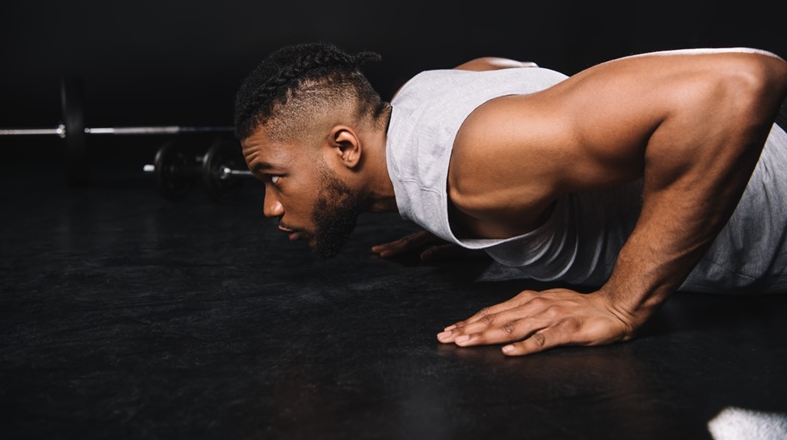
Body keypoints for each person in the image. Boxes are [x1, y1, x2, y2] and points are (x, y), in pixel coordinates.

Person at [233, 41, 787, 357]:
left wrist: (620, 302)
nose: (271, 207)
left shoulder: (471, 168)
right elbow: (506, 73)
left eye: (274, 177)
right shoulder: (417, 95)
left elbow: (742, 81)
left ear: (345, 146)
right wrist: (477, 223)